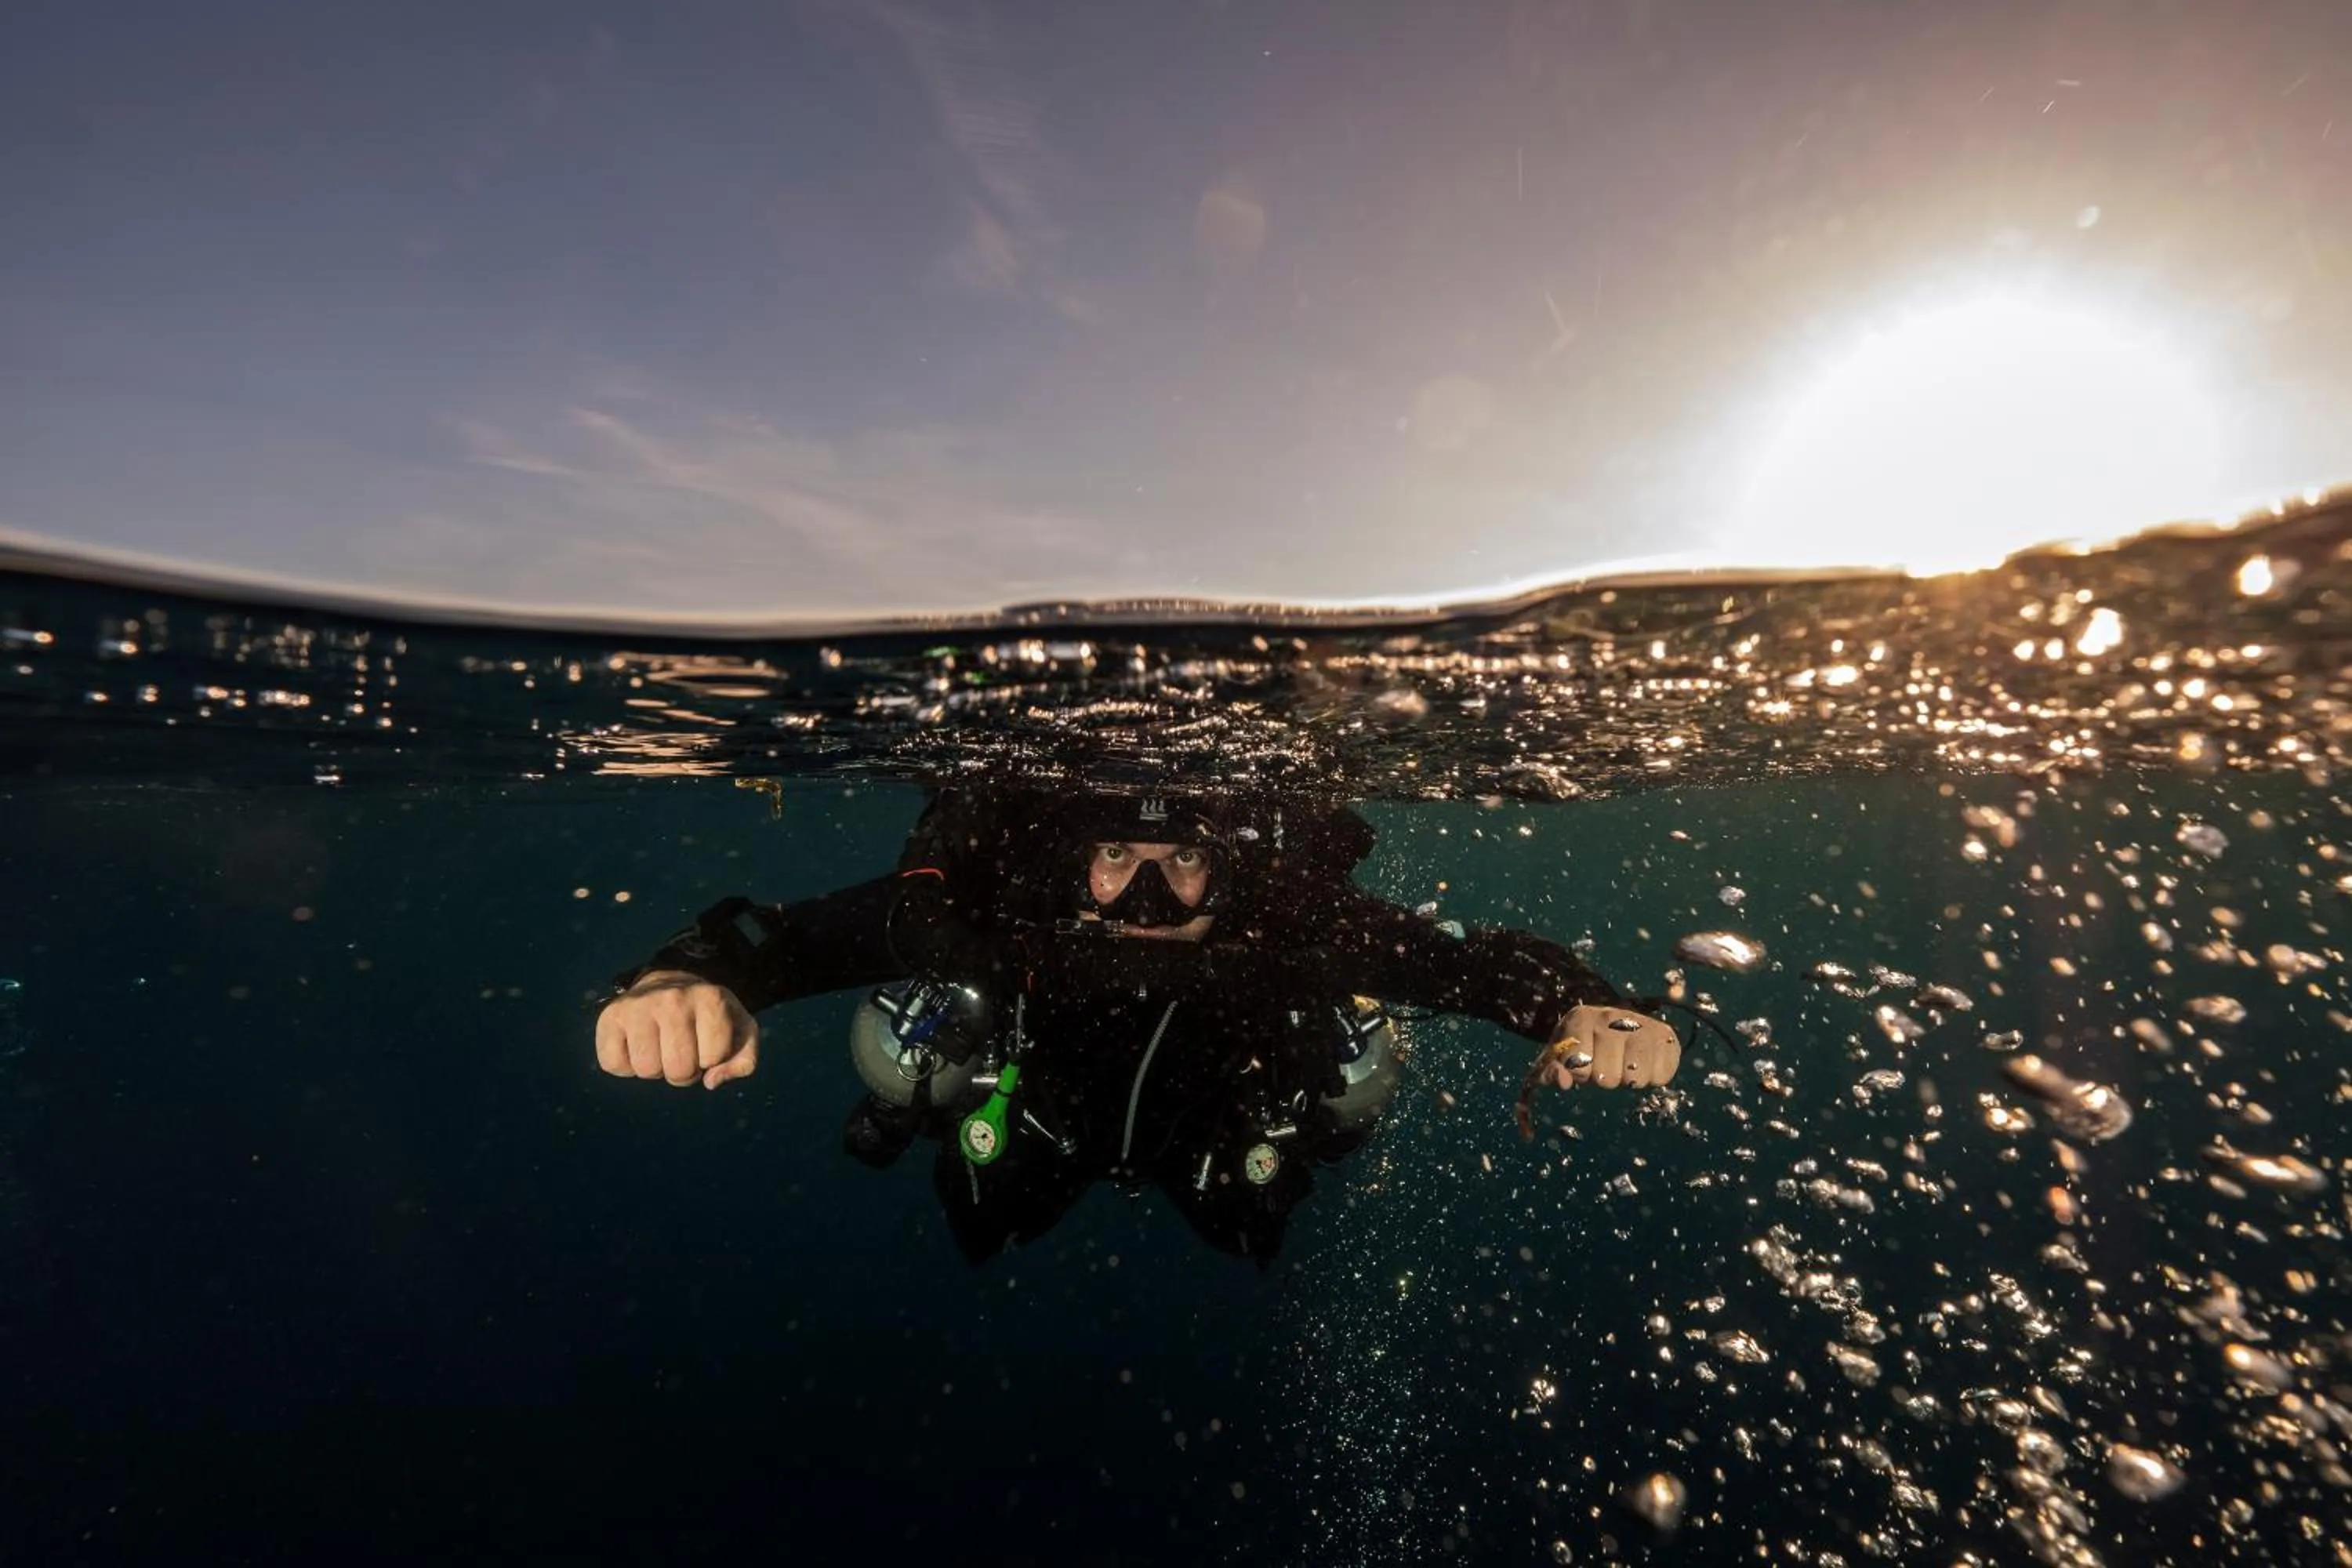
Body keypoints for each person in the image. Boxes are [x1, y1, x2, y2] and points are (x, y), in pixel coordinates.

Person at [593, 786, 1681, 1264]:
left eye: (1185, 862)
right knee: (989, 1203)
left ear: (1228, 867)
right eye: (1118, 860)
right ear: (1077, 864)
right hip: (1031, 1127)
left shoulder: (1284, 928)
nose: (1150, 898)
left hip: (1218, 1133)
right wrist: (673, 983)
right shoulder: (994, 923)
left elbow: (1461, 961)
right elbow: (789, 938)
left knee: (1249, 1208)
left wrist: (1581, 1004)